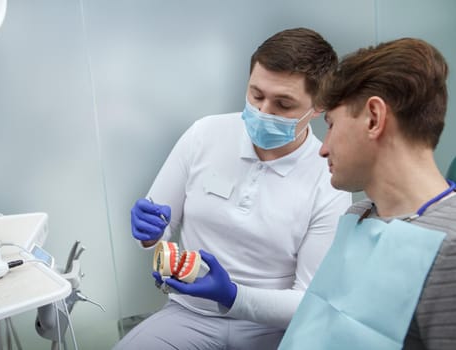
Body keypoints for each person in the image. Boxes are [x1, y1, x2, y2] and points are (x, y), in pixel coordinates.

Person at [115, 28, 351, 350]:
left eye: (283, 104)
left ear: (320, 106)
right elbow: (160, 225)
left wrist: (232, 295)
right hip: (189, 315)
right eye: (256, 95)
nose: (263, 112)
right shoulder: (205, 135)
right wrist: (150, 233)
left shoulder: (330, 177)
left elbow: (307, 301)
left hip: (274, 329)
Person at [279, 38, 456, 350]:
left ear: (374, 118)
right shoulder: (358, 216)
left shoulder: (449, 245)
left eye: (331, 125)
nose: (323, 148)